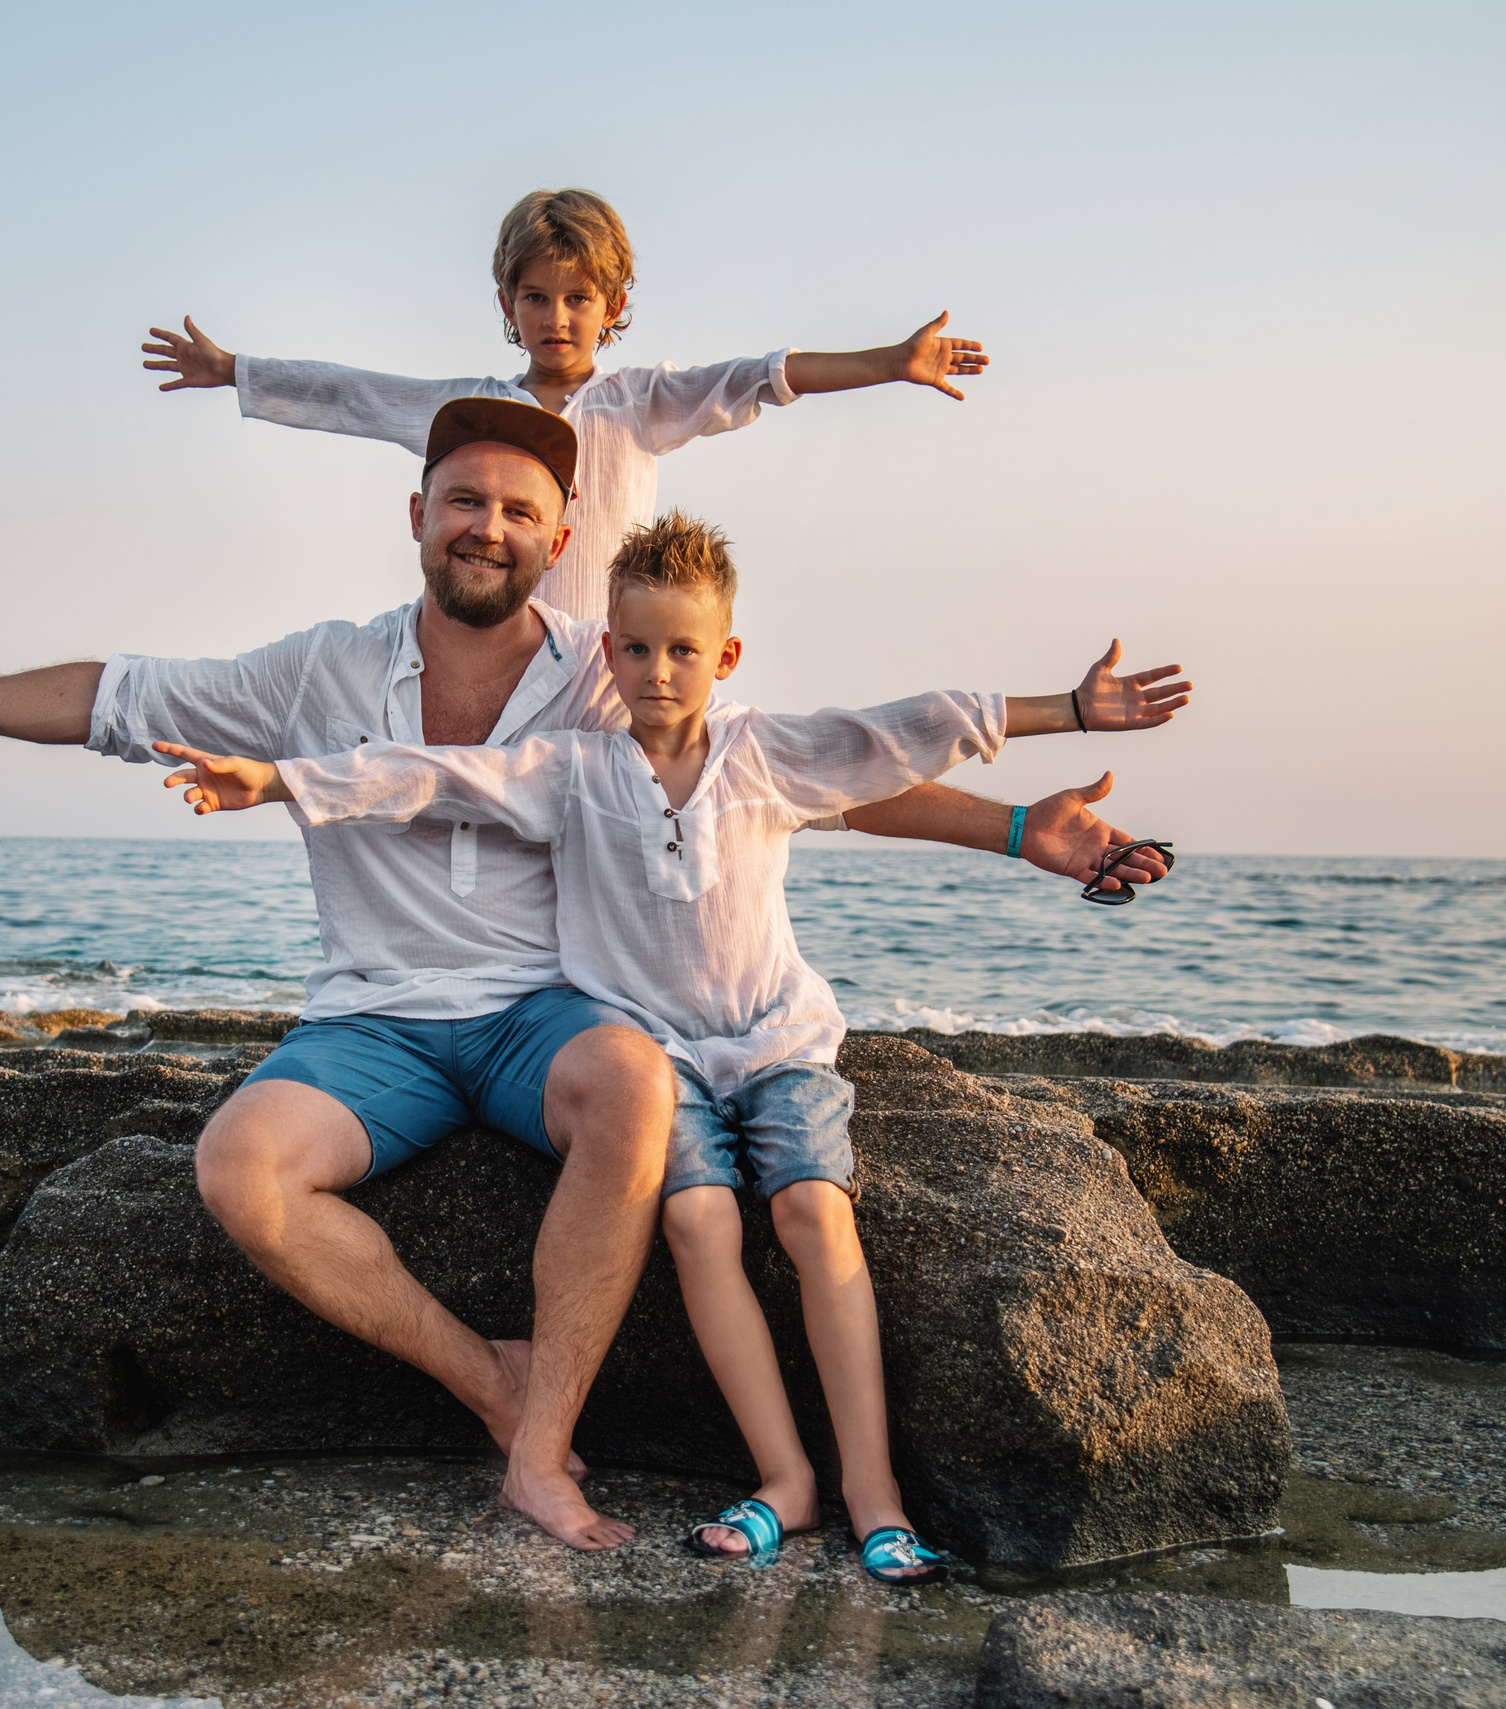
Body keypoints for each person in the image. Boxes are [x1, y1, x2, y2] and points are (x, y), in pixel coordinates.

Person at [0, 396, 1178, 1551]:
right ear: (419, 514)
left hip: (538, 1016)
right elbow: (108, 700)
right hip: (369, 1021)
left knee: (633, 1083)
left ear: (560, 533)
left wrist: (1013, 828)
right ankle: (486, 1377)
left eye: (518, 509)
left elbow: (788, 777)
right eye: (463, 500)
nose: (487, 526)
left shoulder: (608, 669)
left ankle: (540, 1453)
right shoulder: (315, 668)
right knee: (239, 1168)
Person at [149, 510, 1191, 1583]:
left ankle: (872, 1489)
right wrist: (281, 780)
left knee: (812, 1211)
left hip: (778, 1040)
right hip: (664, 1059)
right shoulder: (571, 766)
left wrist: (1065, 713)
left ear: (724, 657)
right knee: (696, 1218)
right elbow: (432, 774)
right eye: (636, 648)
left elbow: (898, 731)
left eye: (683, 650)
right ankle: (784, 1477)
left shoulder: (766, 753)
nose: (657, 671)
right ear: (608, 652)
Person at [142, 186, 988, 620]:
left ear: (613, 304)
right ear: (508, 303)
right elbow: (355, 394)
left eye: (579, 298)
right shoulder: (468, 410)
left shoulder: (642, 401)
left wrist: (890, 361)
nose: (558, 318)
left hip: (606, 664)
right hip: (494, 649)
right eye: (538, 297)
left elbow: (764, 374)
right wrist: (236, 370)